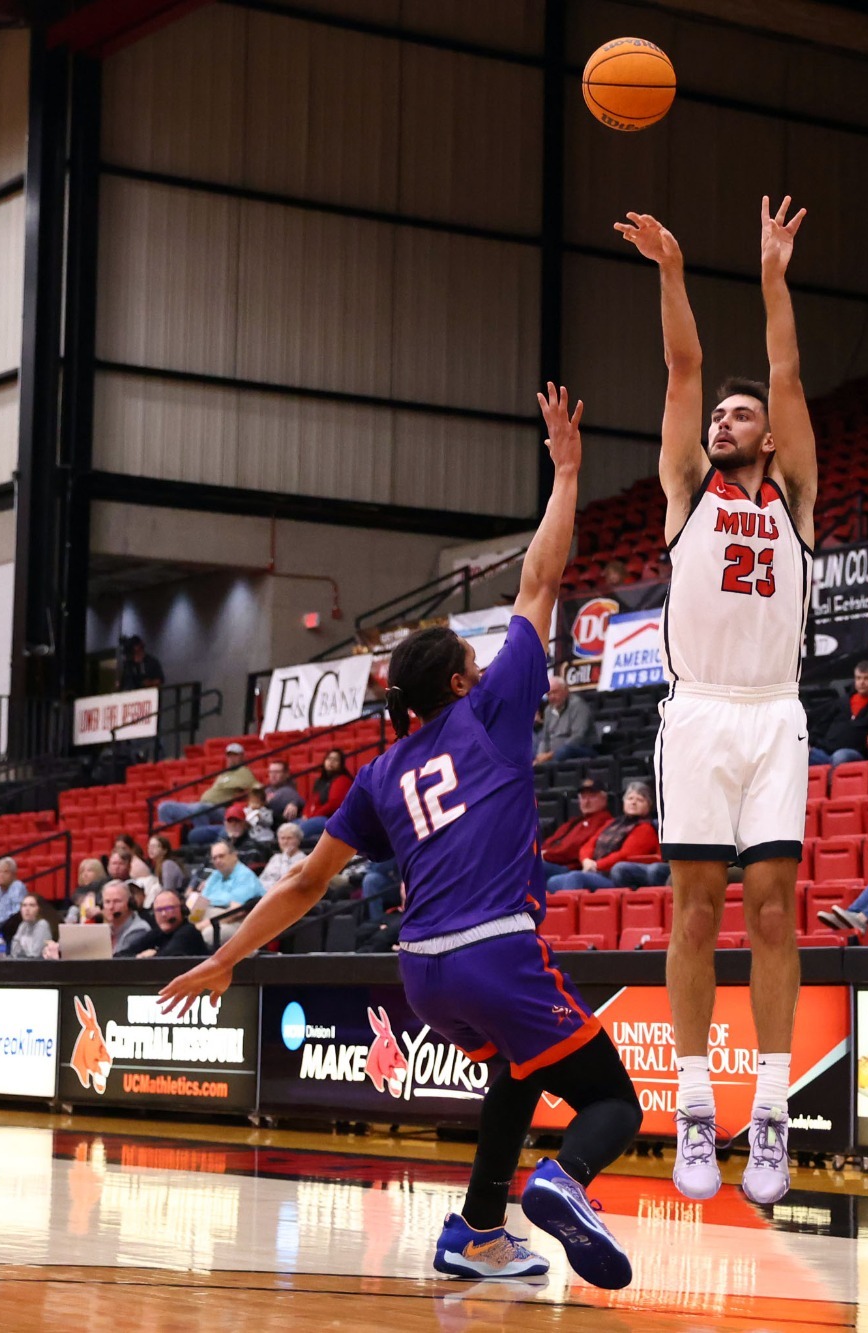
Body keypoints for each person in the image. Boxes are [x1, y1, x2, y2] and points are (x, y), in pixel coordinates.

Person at [161, 383, 638, 1289]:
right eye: (472, 657)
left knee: (520, 1071)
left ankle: (475, 1232)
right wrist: (568, 471)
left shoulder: (377, 775)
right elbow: (540, 579)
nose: (484, 661)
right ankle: (563, 1180)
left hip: (420, 970)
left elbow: (303, 885)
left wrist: (229, 958)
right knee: (611, 1097)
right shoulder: (497, 707)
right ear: (462, 685)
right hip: (493, 949)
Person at [618, 199, 819, 1206]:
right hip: (696, 712)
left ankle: (772, 1112)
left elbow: (782, 376)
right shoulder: (687, 492)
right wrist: (672, 270)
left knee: (774, 912)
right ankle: (696, 1107)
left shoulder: (794, 496)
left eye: (740, 418)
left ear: (767, 433)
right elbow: (682, 370)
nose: (723, 422)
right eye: (719, 420)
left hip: (773, 711)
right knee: (694, 913)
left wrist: (773, 277)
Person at [545, 781, 661, 891]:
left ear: (649, 806)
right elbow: (589, 844)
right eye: (630, 798)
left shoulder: (645, 828)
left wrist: (596, 865)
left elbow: (624, 855)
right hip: (594, 870)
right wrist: (586, 860)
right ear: (624, 802)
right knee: (553, 881)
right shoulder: (612, 823)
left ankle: (572, 912)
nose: (633, 802)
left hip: (614, 877)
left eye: (640, 800)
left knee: (575, 878)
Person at [157, 742, 259, 834]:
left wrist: (242, 796)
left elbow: (256, 788)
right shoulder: (223, 774)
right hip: (202, 805)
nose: (231, 759)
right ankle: (165, 844)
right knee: (165, 807)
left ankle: (202, 843)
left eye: (235, 756)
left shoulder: (244, 772)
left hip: (219, 809)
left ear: (242, 757)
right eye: (229, 756)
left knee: (199, 809)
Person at [809, 661, 868, 766]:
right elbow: (821, 726)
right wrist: (807, 744)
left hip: (853, 754)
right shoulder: (842, 702)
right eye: (858, 678)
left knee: (840, 757)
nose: (862, 682)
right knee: (799, 753)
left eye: (867, 678)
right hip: (823, 752)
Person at [542, 780, 615, 872]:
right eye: (583, 797)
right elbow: (552, 840)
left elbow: (574, 849)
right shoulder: (575, 821)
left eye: (592, 797)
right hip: (551, 862)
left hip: (568, 868)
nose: (586, 802)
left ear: (604, 799)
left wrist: (545, 855)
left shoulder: (604, 820)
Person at [534, 675, 598, 767]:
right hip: (554, 754)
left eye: (555, 692)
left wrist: (549, 755)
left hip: (581, 750)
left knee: (564, 751)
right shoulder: (548, 710)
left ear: (565, 691)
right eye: (548, 694)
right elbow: (545, 739)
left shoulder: (579, 706)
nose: (551, 697)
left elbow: (578, 737)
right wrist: (540, 755)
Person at [134, 888, 211, 958]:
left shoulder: (189, 932)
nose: (163, 914)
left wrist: (152, 955)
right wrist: (139, 956)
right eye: (159, 910)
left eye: (169, 908)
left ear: (182, 910)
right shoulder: (157, 933)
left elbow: (164, 960)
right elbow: (123, 955)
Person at [298, 748, 354, 838]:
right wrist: (306, 814)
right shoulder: (320, 781)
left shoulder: (343, 780)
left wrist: (312, 817)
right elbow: (311, 801)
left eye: (335, 760)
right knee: (290, 826)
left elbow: (333, 804)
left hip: (331, 819)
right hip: (316, 817)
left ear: (341, 764)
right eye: (328, 759)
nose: (331, 762)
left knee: (296, 831)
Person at [101, 881, 154, 957]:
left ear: (130, 903)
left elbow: (117, 962)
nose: (111, 907)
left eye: (117, 901)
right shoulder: (107, 929)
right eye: (107, 902)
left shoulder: (139, 930)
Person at [260, 823, 309, 888]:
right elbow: (262, 879)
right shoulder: (275, 858)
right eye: (282, 838)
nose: (285, 841)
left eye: (289, 838)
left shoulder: (304, 859)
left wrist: (286, 857)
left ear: (298, 840)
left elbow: (287, 880)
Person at [8, 894, 53, 959]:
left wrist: (21, 953)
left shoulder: (42, 925)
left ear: (39, 909)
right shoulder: (23, 925)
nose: (27, 909)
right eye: (24, 905)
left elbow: (35, 954)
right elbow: (14, 951)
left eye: (32, 905)